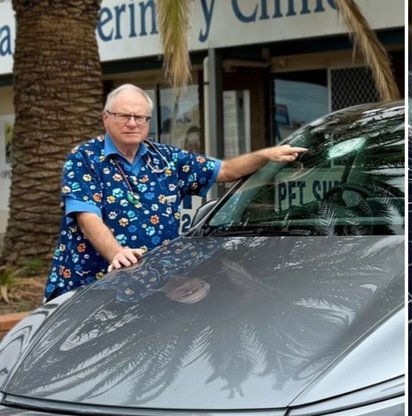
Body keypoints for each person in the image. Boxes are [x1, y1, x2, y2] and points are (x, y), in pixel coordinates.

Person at [44, 84, 306, 300]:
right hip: (92, 289)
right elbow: (87, 216)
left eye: (140, 117)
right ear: (106, 118)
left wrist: (267, 155)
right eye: (124, 116)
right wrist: (117, 253)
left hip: (155, 290)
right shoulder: (85, 157)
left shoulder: (166, 158)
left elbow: (224, 170)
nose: (133, 123)